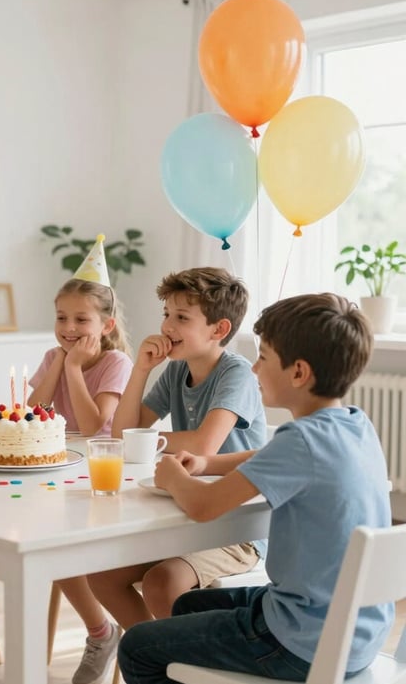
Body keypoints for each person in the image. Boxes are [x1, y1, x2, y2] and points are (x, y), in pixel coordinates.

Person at [117, 292, 393, 684]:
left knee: (138, 647)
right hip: (351, 630)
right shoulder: (352, 424)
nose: (254, 368)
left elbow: (203, 506)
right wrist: (208, 462)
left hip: (300, 640)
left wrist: (174, 477)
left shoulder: (301, 441)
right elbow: (268, 457)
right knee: (186, 607)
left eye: (263, 357)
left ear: (298, 373)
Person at [0, 236, 135, 684]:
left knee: (44, 542)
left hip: (94, 478)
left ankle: (100, 631)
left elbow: (90, 424)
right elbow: (33, 411)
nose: (68, 327)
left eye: (81, 318)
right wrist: (59, 363)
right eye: (61, 317)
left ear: (106, 324)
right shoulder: (53, 355)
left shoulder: (116, 362)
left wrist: (72, 370)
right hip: (50, 469)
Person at [89, 267, 266, 629]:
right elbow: (124, 433)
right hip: (185, 515)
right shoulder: (176, 370)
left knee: (162, 582)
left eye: (182, 317)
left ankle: (180, 664)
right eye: (166, 314)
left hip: (236, 528)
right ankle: (155, 659)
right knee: (101, 573)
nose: (168, 326)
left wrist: (147, 441)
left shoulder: (237, 373)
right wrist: (140, 370)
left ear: (219, 330)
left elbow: (204, 444)